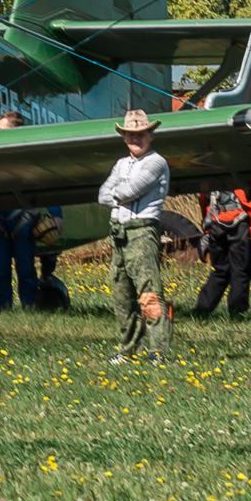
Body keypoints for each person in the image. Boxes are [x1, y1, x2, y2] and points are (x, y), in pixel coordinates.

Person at [97, 108, 170, 363]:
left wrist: (117, 192)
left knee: (149, 294)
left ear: (151, 135)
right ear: (124, 137)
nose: (135, 138)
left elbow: (128, 190)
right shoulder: (121, 164)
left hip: (142, 232)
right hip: (119, 234)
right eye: (130, 134)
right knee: (122, 295)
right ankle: (128, 351)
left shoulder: (156, 162)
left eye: (140, 133)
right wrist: (119, 193)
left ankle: (159, 351)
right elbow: (102, 195)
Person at [0, 108, 45, 312]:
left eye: (2, 131)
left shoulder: (28, 158)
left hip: (23, 220)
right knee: (0, 268)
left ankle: (29, 305)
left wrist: (56, 214)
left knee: (25, 267)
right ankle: (3, 308)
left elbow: (46, 184)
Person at [190, 179, 251, 318]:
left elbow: (203, 201)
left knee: (220, 271)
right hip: (239, 228)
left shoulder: (210, 178)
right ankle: (237, 312)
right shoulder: (240, 177)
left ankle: (202, 310)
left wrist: (207, 229)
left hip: (215, 227)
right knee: (240, 271)